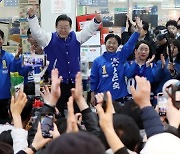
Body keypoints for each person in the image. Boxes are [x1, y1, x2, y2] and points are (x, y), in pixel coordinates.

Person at [27, 7, 102, 117]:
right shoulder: (48, 38)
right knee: (55, 113)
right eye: (60, 27)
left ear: (70, 27)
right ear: (56, 27)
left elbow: (88, 31)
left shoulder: (76, 37)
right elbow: (37, 32)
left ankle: (77, 132)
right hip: (58, 84)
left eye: (66, 27)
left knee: (79, 113)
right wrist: (32, 18)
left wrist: (96, 21)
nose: (63, 30)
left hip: (75, 84)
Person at [90, 17, 143, 106]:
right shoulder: (97, 61)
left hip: (120, 98)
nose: (111, 45)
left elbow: (129, 45)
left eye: (114, 43)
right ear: (105, 43)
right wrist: (92, 94)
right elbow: (94, 79)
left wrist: (138, 31)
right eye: (109, 42)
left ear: (118, 45)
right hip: (103, 98)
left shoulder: (120, 56)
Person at [0, 29, 21, 124]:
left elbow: (14, 70)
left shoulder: (8, 56)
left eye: (0, 38)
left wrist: (17, 57)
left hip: (5, 98)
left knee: (6, 125)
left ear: (2, 40)